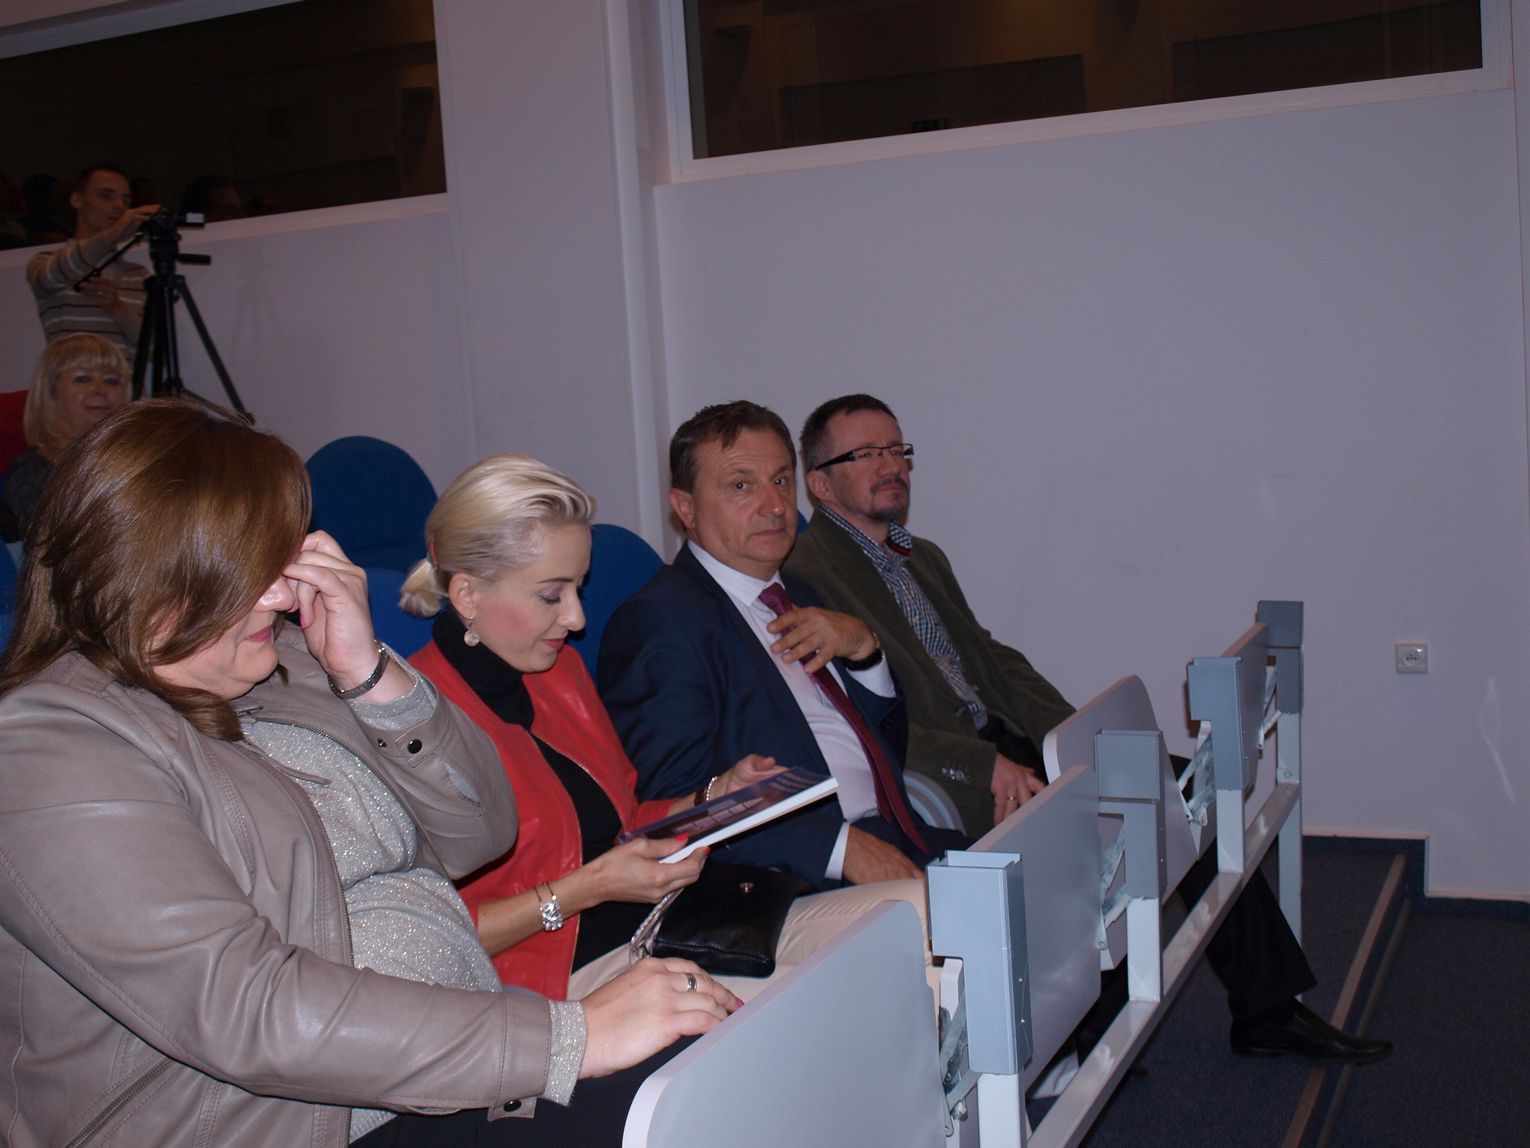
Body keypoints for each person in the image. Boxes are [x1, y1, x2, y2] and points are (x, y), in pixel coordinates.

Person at [0, 399, 738, 1148]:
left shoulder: (287, 662)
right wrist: (566, 1039)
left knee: (716, 1067)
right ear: (160, 570)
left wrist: (369, 675)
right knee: (694, 1107)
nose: (283, 594)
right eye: (255, 567)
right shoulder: (48, 747)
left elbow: (481, 833)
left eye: (283, 560)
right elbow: (245, 1011)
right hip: (284, 1119)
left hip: (432, 1070)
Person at [784, 392, 1390, 1065]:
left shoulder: (918, 554)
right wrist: (982, 764)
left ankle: (1263, 1007)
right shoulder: (807, 574)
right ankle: (1098, 1026)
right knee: (1104, 830)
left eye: (898, 450)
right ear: (820, 483)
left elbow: (990, 658)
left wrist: (1072, 731)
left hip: (1010, 740)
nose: (891, 465)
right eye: (867, 454)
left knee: (1178, 787)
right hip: (947, 769)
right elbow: (854, 718)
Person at [401, 453, 930, 1002]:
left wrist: (714, 798)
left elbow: (626, 824)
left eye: (579, 588)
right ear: (468, 595)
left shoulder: (559, 673)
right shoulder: (412, 725)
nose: (577, 618)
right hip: (552, 980)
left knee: (915, 918)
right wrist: (588, 887)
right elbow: (425, 936)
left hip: (670, 926)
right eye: (551, 595)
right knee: (833, 1002)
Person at [599, 401, 970, 891]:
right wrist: (841, 849)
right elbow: (676, 807)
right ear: (685, 508)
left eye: (780, 480)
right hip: (790, 878)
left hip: (897, 834)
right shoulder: (660, 621)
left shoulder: (801, 592)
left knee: (1041, 867)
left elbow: (887, 755)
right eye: (741, 486)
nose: (775, 505)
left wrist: (866, 653)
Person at [25, 163, 160, 365]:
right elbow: (48, 278)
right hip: (68, 382)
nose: (119, 206)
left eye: (126, 200)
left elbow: (156, 350)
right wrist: (110, 236)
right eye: (106, 196)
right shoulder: (46, 261)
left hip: (121, 384)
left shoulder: (138, 274)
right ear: (77, 200)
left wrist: (117, 308)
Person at [2, 333, 130, 543]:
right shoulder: (33, 472)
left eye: (112, 381)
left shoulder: (134, 461)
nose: (100, 389)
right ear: (51, 393)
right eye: (83, 379)